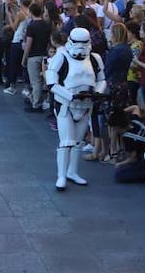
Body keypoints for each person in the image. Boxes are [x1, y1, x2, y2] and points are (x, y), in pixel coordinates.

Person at [45, 26, 106, 191]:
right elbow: (51, 82)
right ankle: (62, 175)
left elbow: (101, 79)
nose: (80, 48)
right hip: (66, 106)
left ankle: (72, 172)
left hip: (86, 106)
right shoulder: (61, 56)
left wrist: (98, 93)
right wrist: (70, 96)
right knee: (66, 142)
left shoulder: (94, 59)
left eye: (84, 43)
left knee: (78, 143)